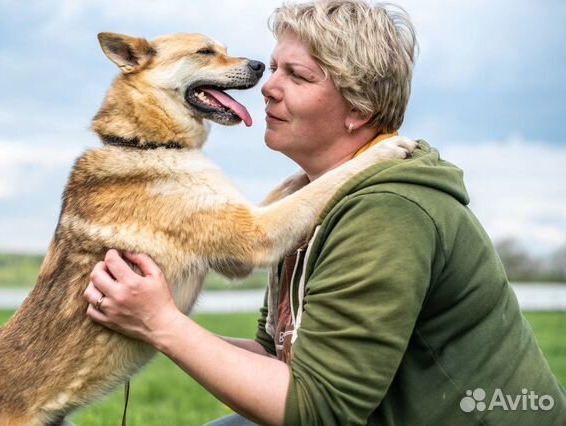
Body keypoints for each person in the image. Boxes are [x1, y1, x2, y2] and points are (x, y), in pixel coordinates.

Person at [83, 1, 566, 425]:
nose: (268, 87)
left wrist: (164, 325)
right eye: (274, 68)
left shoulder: (388, 212)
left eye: (297, 75)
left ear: (358, 107)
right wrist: (152, 321)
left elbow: (318, 411)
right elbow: (281, 356)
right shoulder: (312, 200)